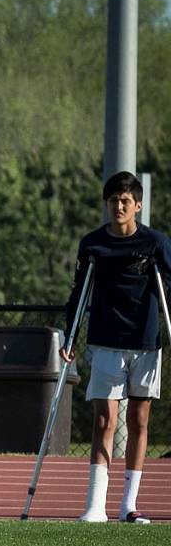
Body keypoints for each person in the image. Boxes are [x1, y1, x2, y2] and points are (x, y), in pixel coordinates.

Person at [60, 171, 171, 524]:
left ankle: (129, 505)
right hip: (106, 340)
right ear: (106, 204)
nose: (119, 206)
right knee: (105, 419)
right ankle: (95, 505)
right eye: (113, 201)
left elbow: (169, 285)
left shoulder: (156, 243)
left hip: (145, 341)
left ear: (138, 205)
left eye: (125, 201)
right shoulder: (94, 244)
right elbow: (79, 293)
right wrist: (70, 334)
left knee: (139, 420)